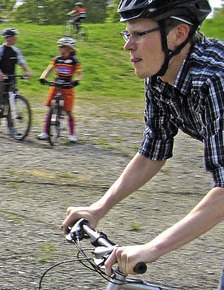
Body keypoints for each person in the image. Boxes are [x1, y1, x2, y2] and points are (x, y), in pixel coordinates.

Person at [60, 0, 224, 285]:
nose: (128, 45)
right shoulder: (160, 76)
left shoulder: (214, 80)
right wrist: (99, 208)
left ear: (178, 34)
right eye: (127, 34)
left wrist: (152, 248)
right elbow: (152, 151)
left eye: (138, 34)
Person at [0, 27, 33, 136]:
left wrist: (28, 71)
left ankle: (11, 127)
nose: (15, 38)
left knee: (11, 103)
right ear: (8, 38)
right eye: (13, 37)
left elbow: (22, 62)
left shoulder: (16, 51)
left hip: (11, 78)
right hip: (1, 79)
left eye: (15, 37)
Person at [37, 36, 82, 142]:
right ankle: (45, 132)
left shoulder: (74, 61)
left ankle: (72, 134)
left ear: (69, 48)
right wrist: (43, 77)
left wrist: (77, 81)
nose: (59, 48)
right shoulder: (56, 59)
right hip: (56, 85)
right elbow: (48, 69)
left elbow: (80, 74)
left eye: (62, 46)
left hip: (68, 86)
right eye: (59, 46)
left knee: (68, 111)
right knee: (50, 108)